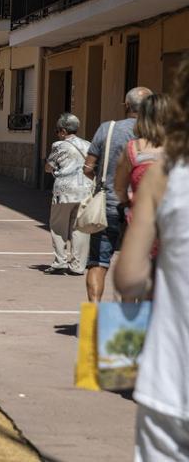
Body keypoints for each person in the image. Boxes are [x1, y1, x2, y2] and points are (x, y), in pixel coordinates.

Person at [113, 59, 185, 461]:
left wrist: (131, 206)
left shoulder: (141, 155)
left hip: (151, 239)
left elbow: (127, 278)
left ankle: (126, 368)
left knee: (135, 301)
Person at [83, 86, 153, 302]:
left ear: (126, 105)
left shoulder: (107, 129)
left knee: (98, 261)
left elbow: (88, 167)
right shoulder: (157, 134)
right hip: (142, 208)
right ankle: (129, 316)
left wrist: (101, 178)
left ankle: (95, 312)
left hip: (107, 204)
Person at [44, 113, 93, 275]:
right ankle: (78, 265)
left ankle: (60, 262)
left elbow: (48, 167)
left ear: (63, 131)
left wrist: (53, 168)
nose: (58, 134)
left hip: (64, 191)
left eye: (58, 131)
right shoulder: (88, 144)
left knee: (59, 227)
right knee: (80, 228)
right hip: (85, 189)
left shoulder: (59, 145)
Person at [115, 94, 168, 225]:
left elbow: (119, 188)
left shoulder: (133, 148)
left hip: (142, 221)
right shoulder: (181, 148)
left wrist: (128, 202)